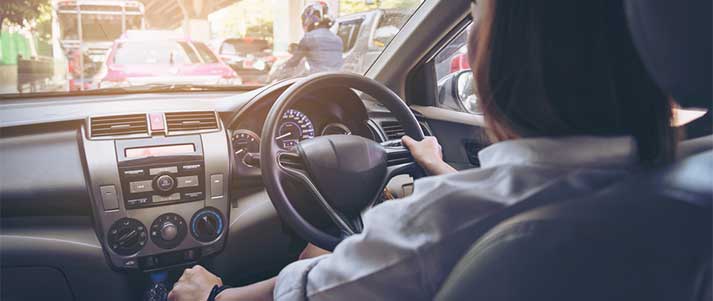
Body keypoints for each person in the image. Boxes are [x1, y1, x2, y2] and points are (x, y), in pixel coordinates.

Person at [168, 0, 675, 300]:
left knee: (312, 249)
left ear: (493, 63)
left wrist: (211, 294)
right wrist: (442, 170)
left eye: (479, 17)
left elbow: (314, 291)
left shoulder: (445, 222)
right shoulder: (689, 189)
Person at [283, 2, 344, 74]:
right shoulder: (338, 39)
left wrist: (283, 67)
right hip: (338, 80)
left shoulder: (309, 38)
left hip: (318, 82)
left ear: (309, 18)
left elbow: (294, 61)